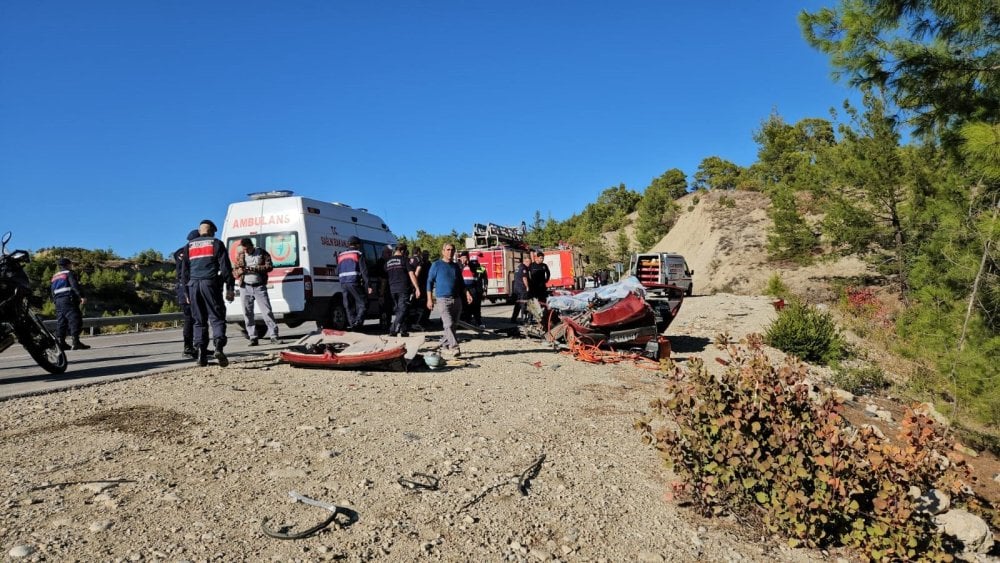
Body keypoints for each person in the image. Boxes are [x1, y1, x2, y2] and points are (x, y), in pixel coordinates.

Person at [183, 219, 235, 367]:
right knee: (217, 317)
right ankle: (218, 347)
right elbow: (225, 268)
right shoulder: (216, 243)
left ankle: (201, 353)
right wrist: (230, 288)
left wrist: (186, 291)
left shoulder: (189, 246)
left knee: (199, 321)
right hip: (209, 284)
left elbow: (184, 272)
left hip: (193, 285)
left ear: (200, 231)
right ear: (212, 231)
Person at [426, 243, 472, 357]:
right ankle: (454, 347)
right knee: (448, 324)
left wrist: (467, 294)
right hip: (442, 299)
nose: (450, 252)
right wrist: (429, 299)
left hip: (456, 299)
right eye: (448, 249)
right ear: (443, 251)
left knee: (453, 325)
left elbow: (461, 283)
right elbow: (429, 282)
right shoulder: (436, 265)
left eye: (452, 250)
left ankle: (444, 344)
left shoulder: (456, 266)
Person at [233, 238, 279, 346]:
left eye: (248, 249)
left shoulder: (262, 253)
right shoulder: (241, 255)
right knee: (247, 313)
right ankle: (253, 337)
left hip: (259, 286)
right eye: (244, 249)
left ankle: (274, 335)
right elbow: (234, 272)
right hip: (245, 287)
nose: (246, 251)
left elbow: (269, 267)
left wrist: (254, 269)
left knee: (267, 311)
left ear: (251, 246)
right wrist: (240, 271)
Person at [50, 257, 89, 350]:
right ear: (67, 265)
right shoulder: (69, 273)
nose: (71, 265)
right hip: (68, 299)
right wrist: (81, 296)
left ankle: (61, 343)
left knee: (62, 321)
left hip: (58, 301)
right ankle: (76, 342)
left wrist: (55, 301)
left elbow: (52, 291)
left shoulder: (55, 276)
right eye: (70, 264)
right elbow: (74, 285)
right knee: (75, 319)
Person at [173, 229, 201, 358]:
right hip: (186, 288)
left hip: (187, 287)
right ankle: (188, 348)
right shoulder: (186, 251)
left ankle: (198, 346)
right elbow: (184, 274)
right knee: (190, 319)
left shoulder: (181, 251)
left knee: (196, 318)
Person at [384, 242, 420, 337]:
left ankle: (403, 330)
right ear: (403, 251)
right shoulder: (404, 260)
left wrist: (382, 291)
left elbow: (384, 277)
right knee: (403, 309)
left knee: (399, 310)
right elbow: (411, 274)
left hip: (392, 289)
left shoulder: (387, 262)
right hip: (403, 288)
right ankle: (393, 330)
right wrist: (417, 288)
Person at [336, 236, 371, 329]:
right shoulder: (358, 253)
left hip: (343, 283)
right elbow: (364, 271)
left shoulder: (341, 255)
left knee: (348, 305)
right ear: (357, 244)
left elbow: (337, 271)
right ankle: (358, 322)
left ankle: (353, 324)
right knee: (363, 303)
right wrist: (368, 285)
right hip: (354, 282)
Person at [510, 255, 531, 323]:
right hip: (522, 289)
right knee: (523, 304)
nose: (529, 264)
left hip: (516, 288)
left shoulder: (518, 267)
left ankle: (513, 318)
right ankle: (523, 319)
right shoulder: (524, 268)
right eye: (528, 262)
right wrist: (527, 286)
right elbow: (524, 278)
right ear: (525, 261)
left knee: (517, 304)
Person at [415, 249, 432, 329]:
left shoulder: (428, 263)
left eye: (427, 255)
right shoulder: (421, 263)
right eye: (425, 255)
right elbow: (417, 274)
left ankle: (425, 320)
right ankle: (419, 322)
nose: (426, 257)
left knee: (428, 304)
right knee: (422, 305)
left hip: (427, 285)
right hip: (422, 286)